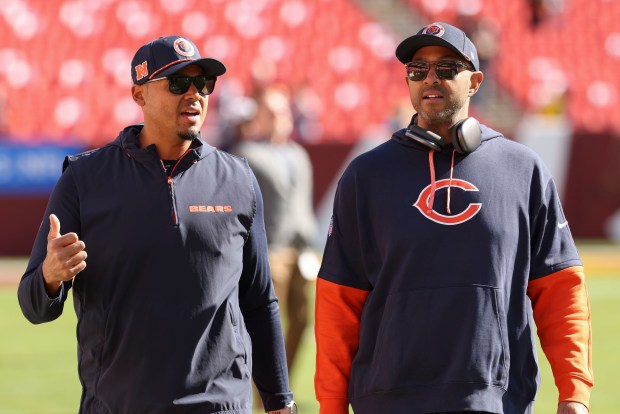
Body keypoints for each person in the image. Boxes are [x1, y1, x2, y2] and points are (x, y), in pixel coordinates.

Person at [314, 22, 592, 414]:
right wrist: (330, 405)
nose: (430, 78)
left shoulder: (522, 169)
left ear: (475, 81)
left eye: (446, 68)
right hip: (386, 402)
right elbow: (337, 302)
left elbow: (560, 289)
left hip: (493, 400)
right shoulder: (365, 176)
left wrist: (574, 392)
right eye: (417, 69)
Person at [17, 35, 297, 414]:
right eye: (178, 83)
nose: (194, 94)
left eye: (203, 84)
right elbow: (34, 306)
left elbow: (259, 300)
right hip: (120, 405)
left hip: (220, 405)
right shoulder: (85, 179)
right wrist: (51, 277)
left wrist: (280, 399)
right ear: (139, 95)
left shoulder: (238, 178)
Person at [230, 84, 319, 374]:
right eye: (272, 110)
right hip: (269, 251)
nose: (280, 115)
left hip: (301, 250)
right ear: (259, 117)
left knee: (303, 319)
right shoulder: (247, 154)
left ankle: (281, 382)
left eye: (282, 109)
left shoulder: (298, 153)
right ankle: (261, 388)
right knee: (263, 321)